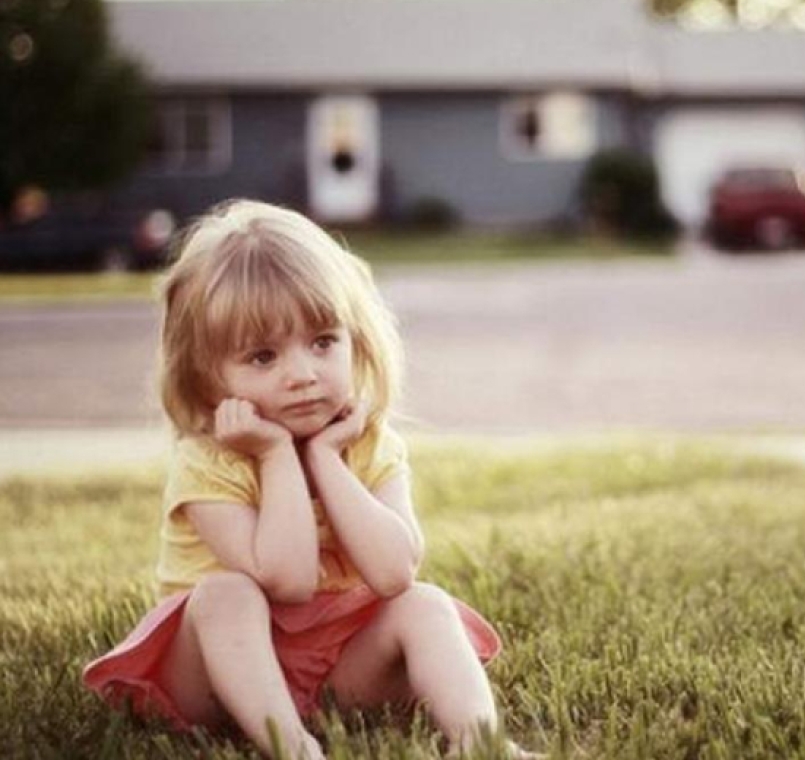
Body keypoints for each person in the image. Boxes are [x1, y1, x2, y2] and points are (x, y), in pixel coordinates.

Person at [83, 199, 539, 759]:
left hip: (334, 670)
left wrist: (325, 459)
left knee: (426, 604)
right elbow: (289, 580)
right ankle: (293, 748)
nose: (302, 375)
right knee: (226, 593)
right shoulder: (209, 462)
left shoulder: (366, 445)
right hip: (222, 675)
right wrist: (277, 456)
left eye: (323, 342)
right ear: (208, 380)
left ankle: (481, 744)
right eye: (262, 357)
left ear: (357, 341)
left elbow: (395, 572)